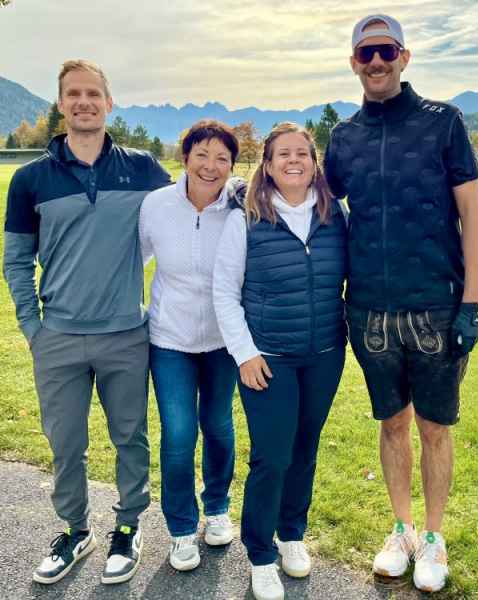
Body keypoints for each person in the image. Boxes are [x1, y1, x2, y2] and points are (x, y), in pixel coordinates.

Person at [324, 15, 478, 594]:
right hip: (369, 309)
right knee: (392, 424)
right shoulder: (343, 137)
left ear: (404, 57)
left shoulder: (444, 122)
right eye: (366, 53)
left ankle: (435, 537)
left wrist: (471, 302)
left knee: (434, 427)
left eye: (386, 51)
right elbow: (316, 205)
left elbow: (473, 214)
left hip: (437, 307)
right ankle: (401, 529)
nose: (376, 62)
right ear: (354, 62)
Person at [3, 59, 170, 585]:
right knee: (66, 444)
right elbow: (16, 260)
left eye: (93, 93)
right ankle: (75, 530)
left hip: (125, 335)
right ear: (61, 104)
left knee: (130, 437)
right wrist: (33, 329)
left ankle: (128, 527)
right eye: (73, 94)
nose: (84, 102)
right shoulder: (30, 180)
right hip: (58, 337)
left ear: (108, 103)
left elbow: (193, 205)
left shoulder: (142, 169)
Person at [213, 122, 347, 600]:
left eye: (302, 153)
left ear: (314, 163)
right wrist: (245, 354)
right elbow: (224, 293)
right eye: (283, 154)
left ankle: (291, 534)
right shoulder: (245, 219)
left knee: (305, 449)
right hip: (267, 359)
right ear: (267, 166)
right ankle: (260, 554)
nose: (294, 160)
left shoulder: (334, 214)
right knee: (272, 457)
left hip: (325, 355)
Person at [139, 119, 244, 571]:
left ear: (232, 166)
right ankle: (181, 528)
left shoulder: (240, 208)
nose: (210, 166)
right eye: (202, 154)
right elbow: (133, 260)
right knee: (179, 433)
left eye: (222, 158)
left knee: (218, 425)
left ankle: (217, 508)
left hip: (223, 341)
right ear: (185, 158)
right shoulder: (156, 205)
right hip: (170, 340)